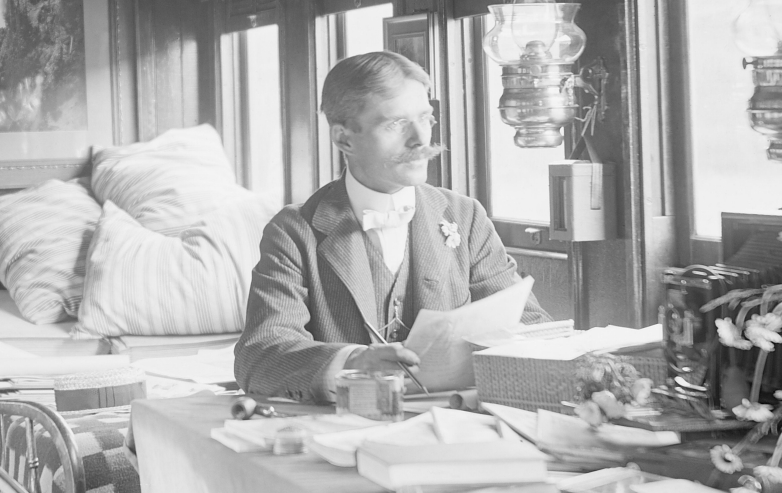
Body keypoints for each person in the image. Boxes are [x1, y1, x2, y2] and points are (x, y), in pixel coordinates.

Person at [234, 49, 548, 402]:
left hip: (455, 426)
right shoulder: (295, 231)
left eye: (426, 119)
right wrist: (351, 363)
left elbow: (530, 327)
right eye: (396, 124)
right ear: (343, 139)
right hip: (343, 432)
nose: (419, 139)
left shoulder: (465, 217)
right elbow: (259, 357)